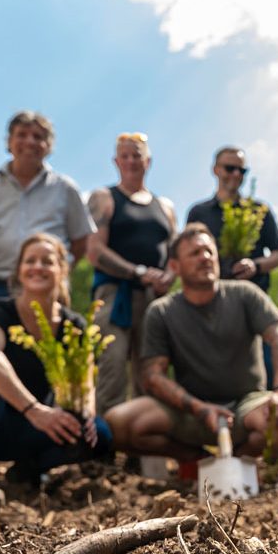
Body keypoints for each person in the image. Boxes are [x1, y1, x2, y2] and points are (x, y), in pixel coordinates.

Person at [0, 234, 112, 504]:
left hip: (28, 431)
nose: (38, 267)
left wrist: (85, 414)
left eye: (47, 261)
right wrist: (33, 409)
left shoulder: (74, 324)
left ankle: (28, 471)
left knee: (98, 433)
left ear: (62, 270)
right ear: (19, 271)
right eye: (30, 260)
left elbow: (86, 381)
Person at [105, 223, 278, 462]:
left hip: (246, 404)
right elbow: (153, 377)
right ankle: (197, 462)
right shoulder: (162, 311)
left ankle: (241, 461)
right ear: (175, 266)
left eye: (209, 251)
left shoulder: (245, 293)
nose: (205, 258)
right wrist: (199, 408)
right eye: (195, 253)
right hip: (189, 410)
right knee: (119, 423)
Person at [87, 132, 176, 415]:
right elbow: (95, 251)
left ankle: (143, 448)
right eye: (124, 155)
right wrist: (136, 272)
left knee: (151, 372)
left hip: (155, 300)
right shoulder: (104, 199)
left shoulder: (165, 207)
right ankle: (104, 448)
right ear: (116, 161)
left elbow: (174, 252)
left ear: (148, 161)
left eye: (136, 154)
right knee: (111, 369)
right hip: (115, 297)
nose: (131, 160)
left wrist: (168, 277)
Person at [0, 111, 95, 317]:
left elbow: (80, 240)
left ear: (48, 146)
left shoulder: (65, 189)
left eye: (38, 137)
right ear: (9, 141)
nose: (30, 142)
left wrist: (57, 273)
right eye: (22, 135)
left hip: (46, 288)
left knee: (45, 346)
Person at [185, 146, 278, 293]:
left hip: (253, 295)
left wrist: (255, 266)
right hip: (211, 297)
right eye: (230, 168)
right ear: (215, 170)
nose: (236, 174)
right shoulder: (198, 212)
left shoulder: (259, 210)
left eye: (242, 170)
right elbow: (188, 254)